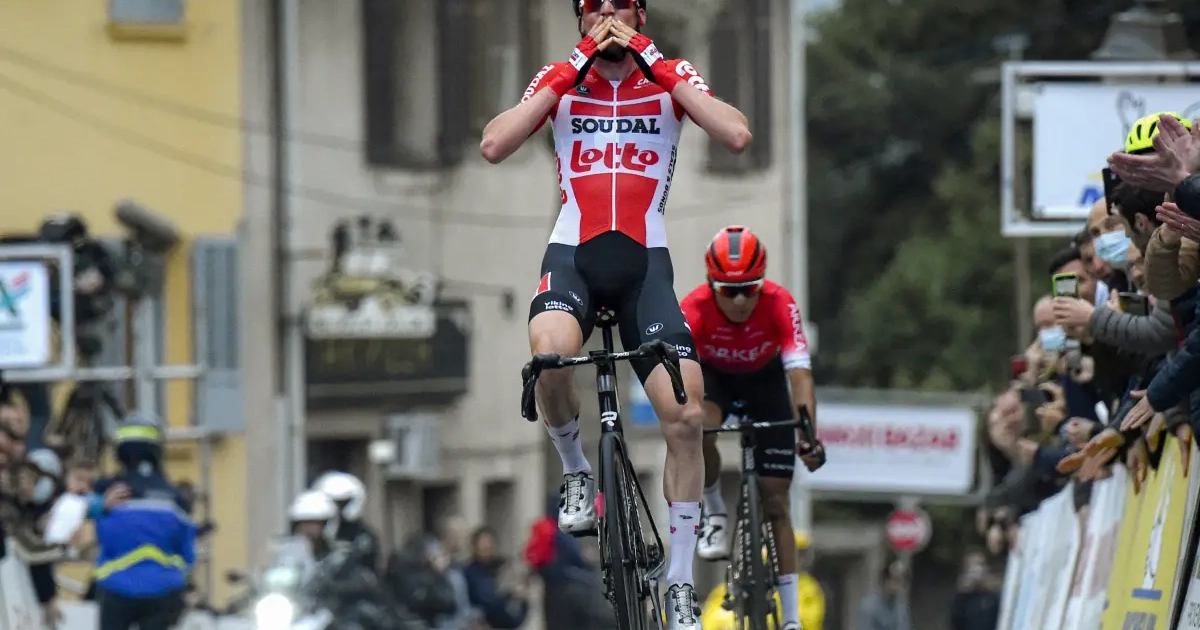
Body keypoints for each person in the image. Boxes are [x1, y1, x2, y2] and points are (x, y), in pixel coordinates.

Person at [480, 1, 753, 626]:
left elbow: (736, 134)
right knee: (549, 355)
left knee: (687, 416)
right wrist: (570, 69)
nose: (607, 13)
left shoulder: (669, 77)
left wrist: (656, 62)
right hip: (573, 256)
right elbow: (494, 144)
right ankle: (577, 470)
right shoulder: (560, 79)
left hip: (644, 269)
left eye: (620, 3)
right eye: (594, 6)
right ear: (580, 20)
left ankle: (679, 581)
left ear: (640, 14)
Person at [679, 226, 821, 630]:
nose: (740, 300)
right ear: (711, 285)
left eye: (749, 289)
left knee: (776, 503)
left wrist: (808, 436)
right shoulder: (693, 308)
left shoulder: (780, 303)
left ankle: (790, 618)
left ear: (763, 283)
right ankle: (715, 509)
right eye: (728, 290)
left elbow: (800, 377)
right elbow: (683, 382)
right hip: (715, 382)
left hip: (765, 383)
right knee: (696, 426)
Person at [88, 412, 194, 630]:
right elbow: (187, 552)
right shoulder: (175, 499)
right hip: (164, 591)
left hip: (115, 589)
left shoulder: (105, 494)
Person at [699, 530, 826, 630]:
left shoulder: (808, 588)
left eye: (799, 554)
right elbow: (712, 617)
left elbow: (808, 622)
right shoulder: (733, 585)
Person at [312, 470, 379, 570]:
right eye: (332, 502)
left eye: (342, 503)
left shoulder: (362, 536)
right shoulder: (312, 529)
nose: (336, 507)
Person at [288, 490, 338, 560]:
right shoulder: (289, 554)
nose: (308, 528)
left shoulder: (336, 556)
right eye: (304, 523)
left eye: (315, 523)